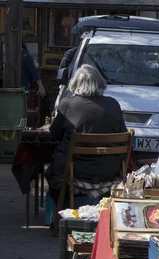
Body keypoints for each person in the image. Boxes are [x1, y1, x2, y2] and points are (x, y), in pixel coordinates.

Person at [45, 64, 127, 193]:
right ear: (100, 83)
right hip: (110, 170)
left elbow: (55, 134)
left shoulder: (67, 104)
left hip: (75, 170)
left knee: (53, 174)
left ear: (75, 83)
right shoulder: (113, 103)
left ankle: (60, 210)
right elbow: (124, 136)